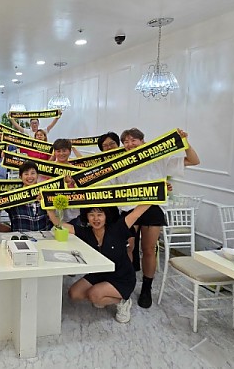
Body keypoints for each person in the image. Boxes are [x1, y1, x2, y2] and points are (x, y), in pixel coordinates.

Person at [116, 127, 200, 309]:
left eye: (133, 140)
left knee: (149, 249)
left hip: (152, 207)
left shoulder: (158, 157)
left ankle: (146, 288)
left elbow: (193, 160)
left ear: (143, 141)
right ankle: (126, 283)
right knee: (127, 247)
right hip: (128, 207)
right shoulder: (120, 161)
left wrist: (184, 142)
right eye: (126, 142)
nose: (130, 144)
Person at [55, 206, 140, 324]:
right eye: (91, 215)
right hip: (100, 274)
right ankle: (102, 295)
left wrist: (158, 195)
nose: (96, 219)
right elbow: (60, 225)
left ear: (106, 216)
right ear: (86, 217)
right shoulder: (86, 232)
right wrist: (47, 209)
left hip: (122, 276)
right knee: (74, 294)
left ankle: (122, 301)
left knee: (94, 295)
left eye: (100, 214)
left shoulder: (117, 228)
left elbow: (137, 213)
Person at [0, 162, 58, 232]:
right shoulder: (13, 194)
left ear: (37, 175)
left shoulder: (46, 193)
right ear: (20, 177)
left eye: (32, 173)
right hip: (20, 236)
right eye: (26, 174)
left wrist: (46, 205)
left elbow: (56, 222)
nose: (30, 176)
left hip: (44, 236)